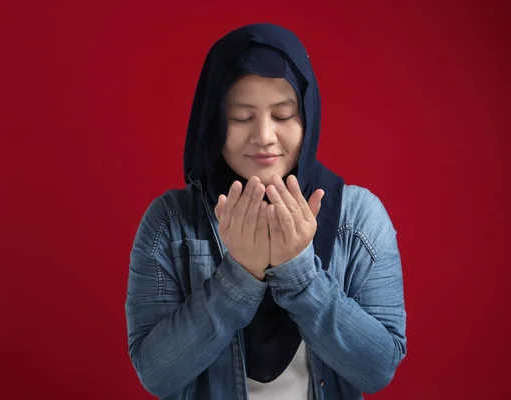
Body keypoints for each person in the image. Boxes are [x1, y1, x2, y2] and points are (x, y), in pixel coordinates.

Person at [125, 23, 407, 400]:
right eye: (241, 117)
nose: (264, 136)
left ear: (306, 116)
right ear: (214, 120)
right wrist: (239, 277)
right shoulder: (169, 224)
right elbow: (156, 375)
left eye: (283, 114)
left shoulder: (358, 218)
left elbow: (378, 368)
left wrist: (300, 274)